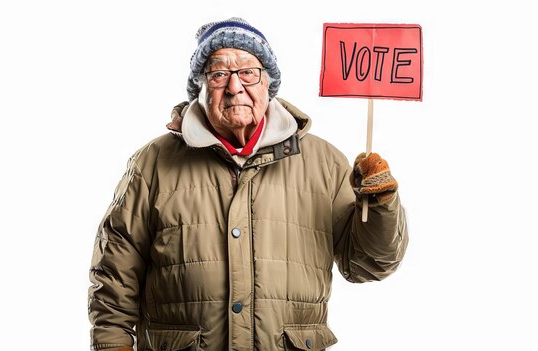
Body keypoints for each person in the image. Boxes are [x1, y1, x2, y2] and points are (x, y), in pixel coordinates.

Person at [88, 17, 408, 351]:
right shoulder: (153, 163)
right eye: (218, 73)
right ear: (201, 88)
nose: (234, 86)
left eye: (248, 72)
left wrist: (382, 203)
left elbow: (367, 265)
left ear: (269, 84)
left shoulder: (325, 163)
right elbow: (113, 279)